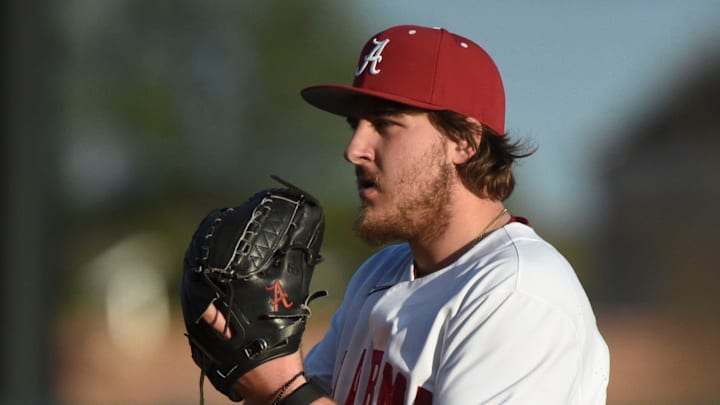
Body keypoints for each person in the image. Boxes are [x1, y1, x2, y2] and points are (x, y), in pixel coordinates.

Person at [202, 24, 610, 404]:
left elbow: (292, 394)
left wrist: (283, 390)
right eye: (355, 124)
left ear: (464, 142)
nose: (354, 149)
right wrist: (260, 363)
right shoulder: (380, 274)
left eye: (385, 123)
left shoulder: (517, 294)